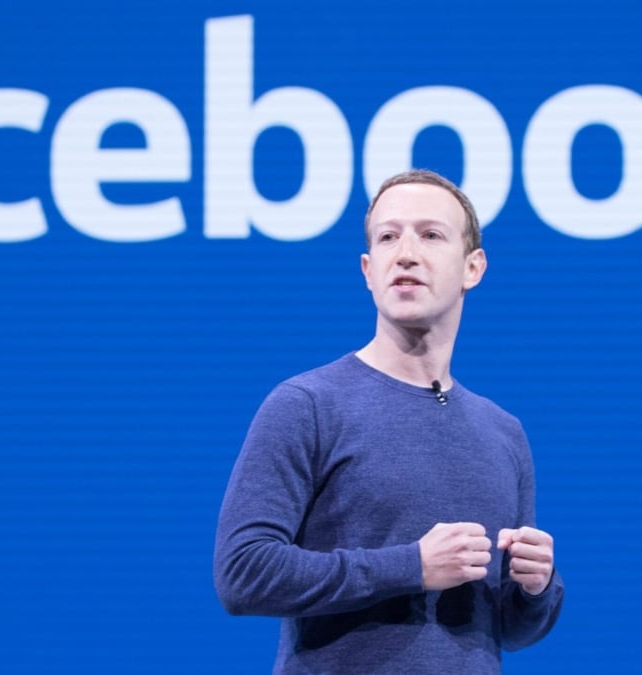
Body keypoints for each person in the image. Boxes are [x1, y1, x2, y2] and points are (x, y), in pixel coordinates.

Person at [213, 169, 563, 673]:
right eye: (388, 237)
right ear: (368, 269)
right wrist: (411, 566)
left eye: (431, 235)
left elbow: (508, 629)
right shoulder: (306, 404)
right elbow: (243, 572)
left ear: (473, 267)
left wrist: (536, 587)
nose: (405, 253)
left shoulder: (503, 433)